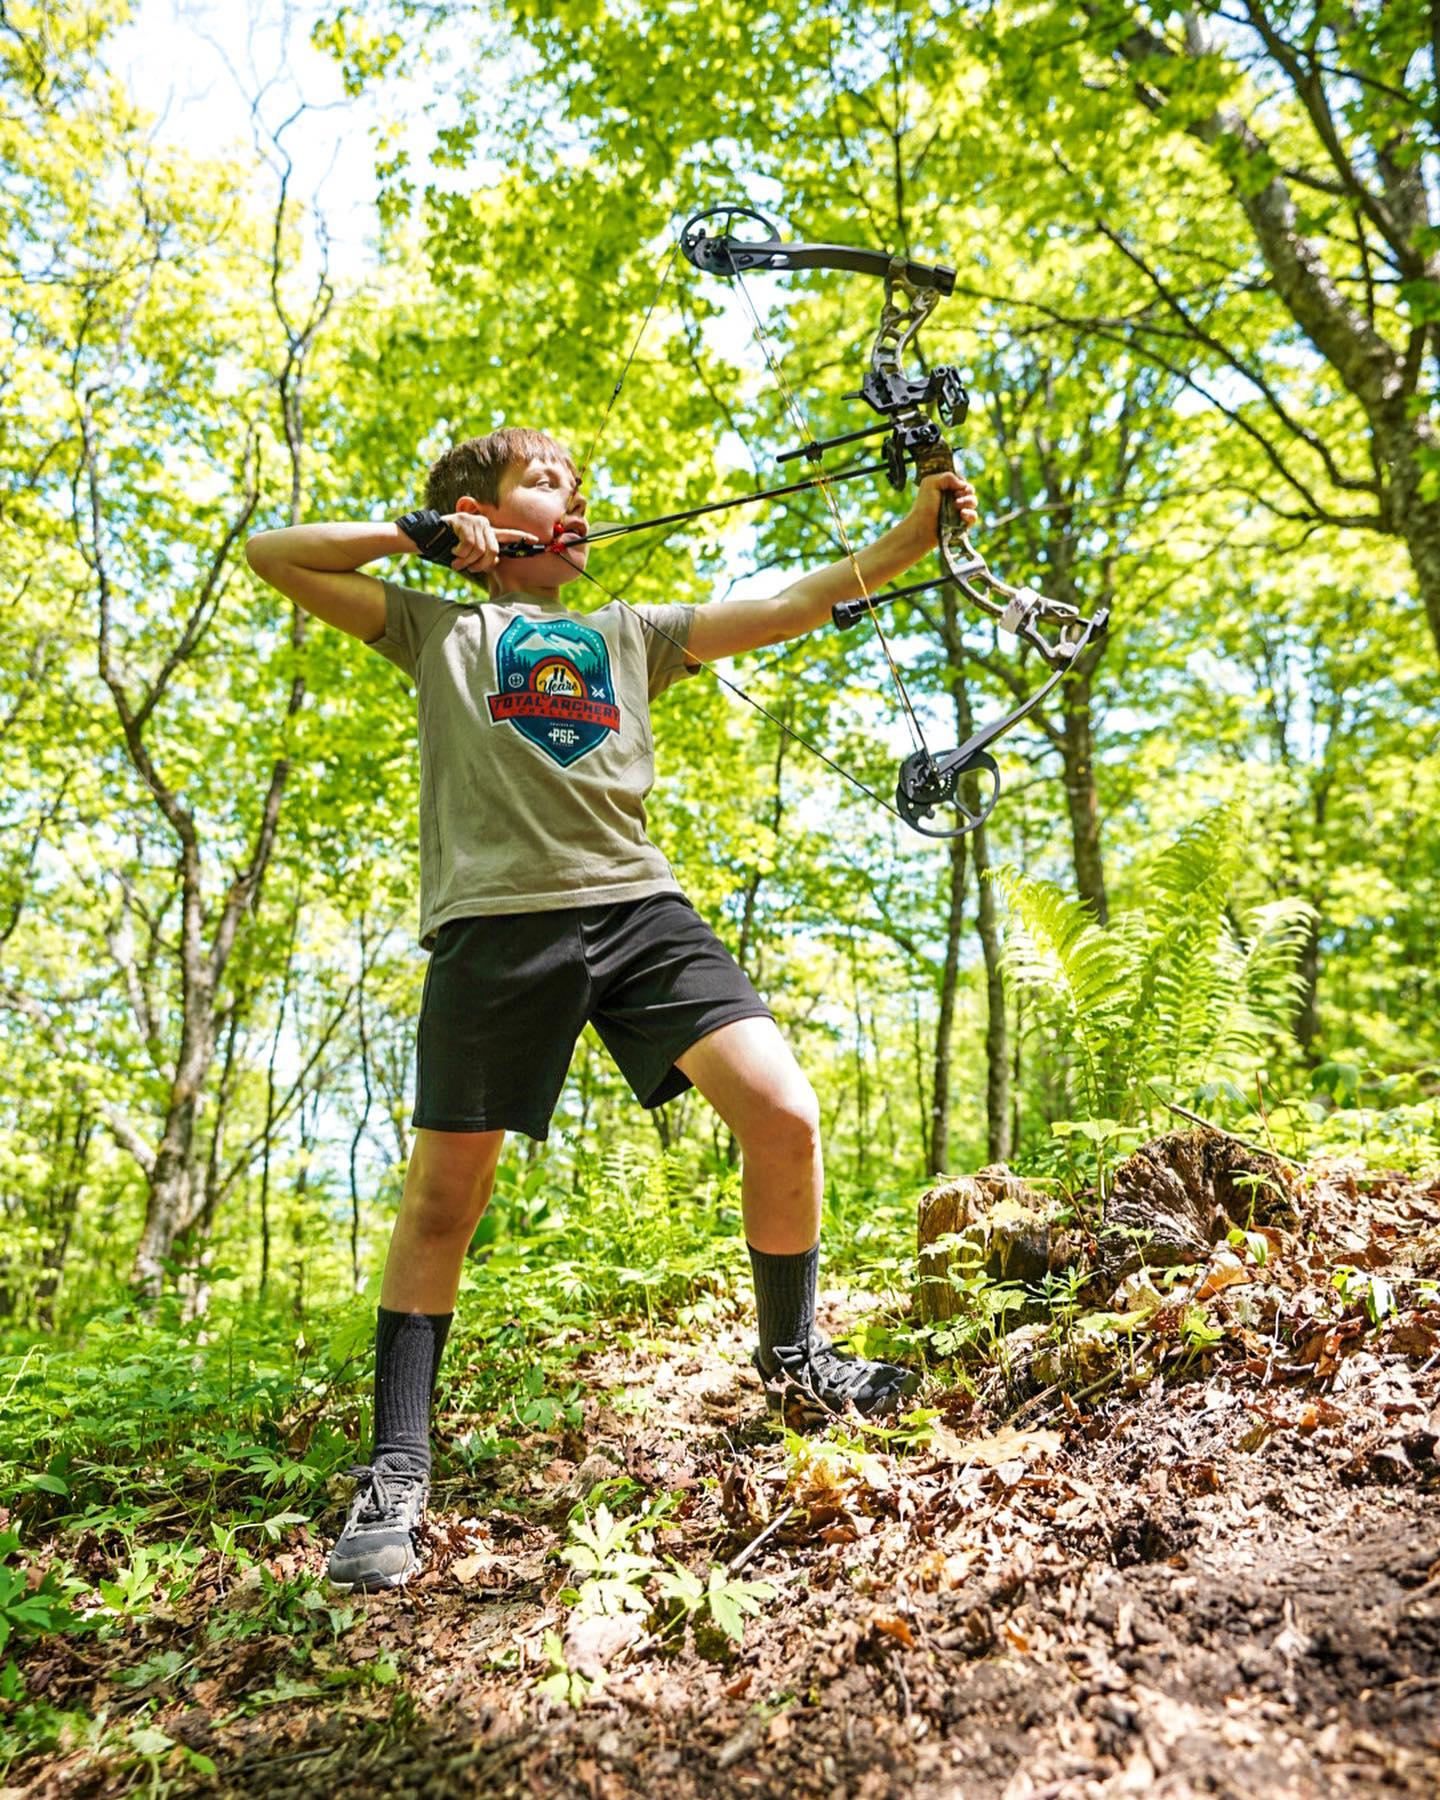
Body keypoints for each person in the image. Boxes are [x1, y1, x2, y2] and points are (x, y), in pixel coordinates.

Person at [244, 426, 978, 1591]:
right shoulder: (439, 626)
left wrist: (906, 541)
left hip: (639, 910)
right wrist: (420, 538)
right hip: (496, 923)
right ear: (483, 521)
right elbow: (272, 551)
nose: (574, 501)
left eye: (578, 488)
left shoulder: (630, 634)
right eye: (545, 485)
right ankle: (395, 1468)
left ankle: (793, 1356)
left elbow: (788, 602)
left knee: (783, 1116)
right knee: (446, 1199)